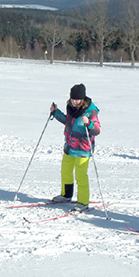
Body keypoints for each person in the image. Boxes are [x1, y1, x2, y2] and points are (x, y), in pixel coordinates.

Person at [50, 83, 101, 212]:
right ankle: (66, 195)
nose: (75, 101)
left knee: (80, 176)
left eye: (77, 99)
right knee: (65, 171)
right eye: (73, 99)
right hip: (69, 146)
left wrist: (88, 123)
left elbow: (97, 130)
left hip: (83, 150)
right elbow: (68, 121)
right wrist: (56, 113)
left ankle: (83, 202)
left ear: (83, 99)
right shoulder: (70, 107)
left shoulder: (91, 111)